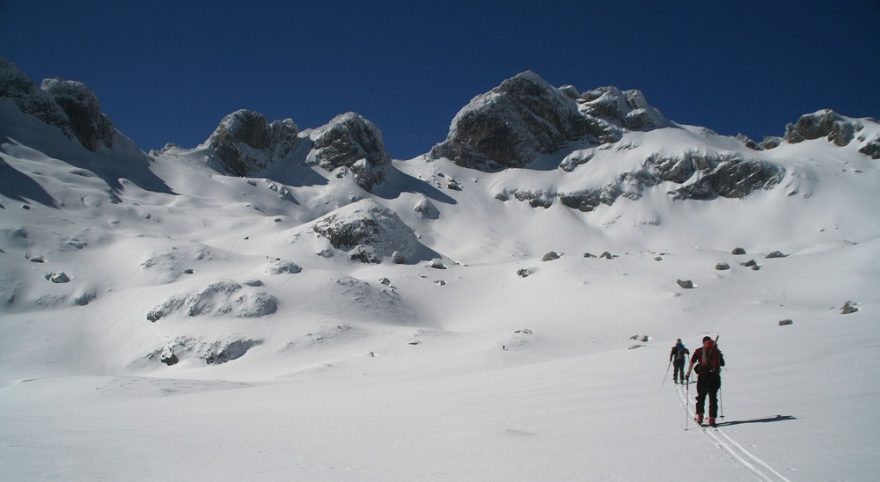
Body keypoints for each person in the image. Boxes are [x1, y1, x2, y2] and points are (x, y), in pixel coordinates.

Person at [686, 336, 725, 427]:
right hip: (715, 376)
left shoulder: (699, 351)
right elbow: (723, 363)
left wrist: (688, 372)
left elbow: (692, 361)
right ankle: (712, 419)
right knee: (713, 398)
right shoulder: (716, 350)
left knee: (701, 396)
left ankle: (700, 416)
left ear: (703, 342)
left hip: (703, 376)